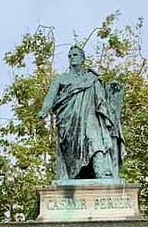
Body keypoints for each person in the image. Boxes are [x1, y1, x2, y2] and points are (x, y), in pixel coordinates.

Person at [38, 44, 125, 180]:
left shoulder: (92, 78)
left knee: (95, 139)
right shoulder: (61, 79)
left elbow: (102, 102)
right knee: (73, 148)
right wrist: (44, 110)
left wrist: (113, 94)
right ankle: (75, 174)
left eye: (75, 55)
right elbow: (50, 97)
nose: (72, 58)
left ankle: (101, 172)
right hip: (68, 120)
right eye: (70, 56)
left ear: (83, 58)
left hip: (90, 117)